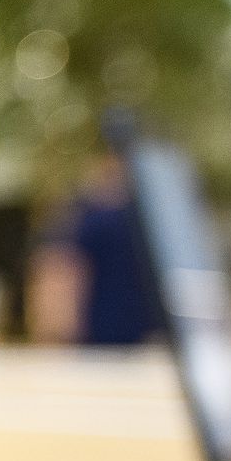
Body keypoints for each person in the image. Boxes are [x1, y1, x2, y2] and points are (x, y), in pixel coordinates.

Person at [28, 146, 155, 347]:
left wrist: (54, 339)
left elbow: (58, 281)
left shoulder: (89, 220)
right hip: (134, 344)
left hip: (97, 347)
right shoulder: (143, 220)